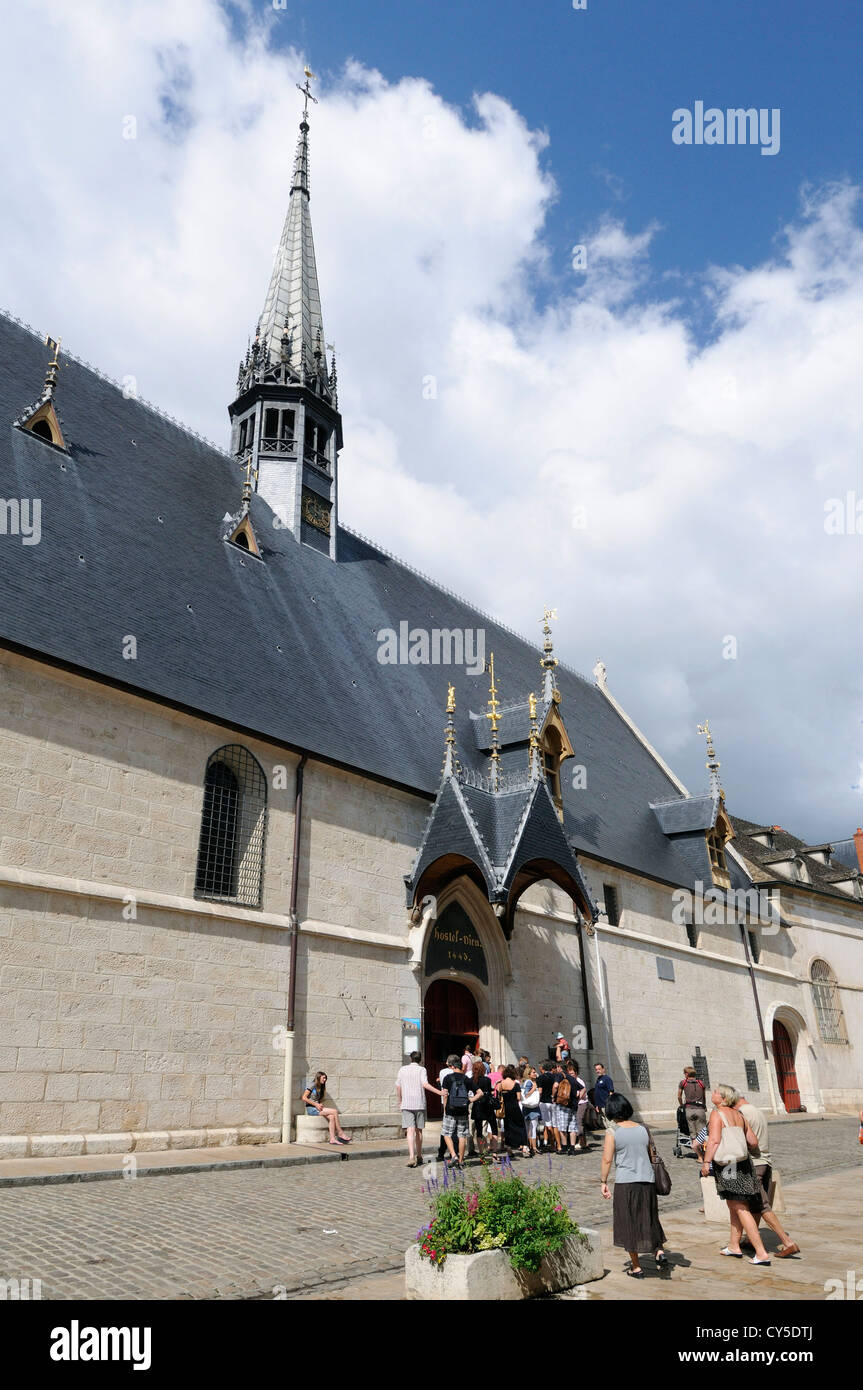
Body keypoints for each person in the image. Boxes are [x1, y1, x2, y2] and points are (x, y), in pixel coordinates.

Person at [700, 1084, 770, 1265]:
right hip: (744, 1162)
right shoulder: (739, 1114)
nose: (712, 1093)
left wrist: (706, 1162)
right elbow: (753, 1141)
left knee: (740, 1207)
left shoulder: (717, 1113)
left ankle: (761, 1252)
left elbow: (714, 1140)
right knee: (734, 1205)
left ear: (723, 1098)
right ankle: (734, 1245)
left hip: (729, 1163)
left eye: (716, 1092)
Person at [600, 1093, 668, 1278]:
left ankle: (636, 1267)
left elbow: (607, 1159)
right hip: (647, 1180)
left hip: (626, 1182)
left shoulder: (612, 1132)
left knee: (628, 1222)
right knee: (649, 1217)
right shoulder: (643, 1129)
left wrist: (603, 1181)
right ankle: (658, 1251)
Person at [735, 1093, 800, 1258]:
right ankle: (751, 1239)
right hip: (766, 1163)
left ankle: (787, 1242)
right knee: (756, 1205)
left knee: (762, 1205)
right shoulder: (757, 1110)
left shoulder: (742, 1113)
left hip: (754, 1164)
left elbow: (747, 1140)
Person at [395, 1051, 442, 1168]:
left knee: (410, 1130)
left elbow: (398, 1086)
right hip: (419, 1103)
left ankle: (411, 1156)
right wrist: (439, 1092)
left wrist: (400, 1101)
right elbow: (425, 1084)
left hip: (407, 1104)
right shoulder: (422, 1070)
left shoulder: (402, 1069)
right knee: (419, 1131)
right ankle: (419, 1155)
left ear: (411, 1059)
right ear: (420, 1060)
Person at [441, 1056, 478, 1169]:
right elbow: (480, 1092)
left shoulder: (447, 1078)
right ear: (461, 1067)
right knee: (462, 1135)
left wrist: (444, 1109)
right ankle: (461, 1161)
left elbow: (445, 1095)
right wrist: (470, 1100)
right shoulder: (466, 1079)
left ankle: (453, 1155)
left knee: (446, 1133)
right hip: (463, 1109)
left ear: (452, 1066)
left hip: (450, 1110)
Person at [301, 1071, 352, 1145]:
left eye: (326, 1078)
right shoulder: (312, 1085)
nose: (325, 1080)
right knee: (335, 1111)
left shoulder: (321, 1087)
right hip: (311, 1109)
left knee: (331, 1117)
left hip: (317, 1108)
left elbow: (319, 1099)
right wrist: (316, 1104)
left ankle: (332, 1139)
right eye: (324, 1078)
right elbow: (304, 1098)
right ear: (319, 1077)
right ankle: (340, 1132)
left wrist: (320, 1104)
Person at [470, 1058, 499, 1157]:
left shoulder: (471, 1080)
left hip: (477, 1105)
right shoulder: (487, 1080)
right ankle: (494, 1152)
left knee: (478, 1130)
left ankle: (481, 1153)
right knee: (494, 1128)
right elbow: (490, 1090)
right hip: (488, 1105)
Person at [498, 1064, 529, 1156]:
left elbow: (499, 1096)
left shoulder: (500, 1084)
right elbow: (518, 1097)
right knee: (521, 1126)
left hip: (505, 1109)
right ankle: (524, 1147)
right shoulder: (515, 1084)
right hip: (514, 1107)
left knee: (508, 1128)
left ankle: (509, 1149)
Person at [678, 1066, 707, 1142]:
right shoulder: (701, 1083)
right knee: (702, 1133)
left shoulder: (683, 1083)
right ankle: (703, 1150)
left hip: (689, 1109)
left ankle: (697, 1150)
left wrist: (681, 1105)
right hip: (700, 1109)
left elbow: (679, 1096)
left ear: (687, 1074)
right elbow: (704, 1097)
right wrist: (704, 1106)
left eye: (684, 1073)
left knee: (692, 1132)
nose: (684, 1074)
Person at [565, 1059, 589, 1151]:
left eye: (572, 1073)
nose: (571, 1075)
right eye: (569, 1073)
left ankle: (581, 1142)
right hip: (574, 1104)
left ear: (576, 1073)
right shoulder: (570, 1081)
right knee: (578, 1123)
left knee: (579, 1122)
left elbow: (581, 1093)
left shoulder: (579, 1081)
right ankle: (583, 1142)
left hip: (581, 1103)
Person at [520, 1064, 542, 1155]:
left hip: (528, 1107)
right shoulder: (529, 1083)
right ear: (528, 1074)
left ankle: (530, 1146)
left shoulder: (526, 1082)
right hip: (532, 1107)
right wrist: (534, 1088)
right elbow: (526, 1094)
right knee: (532, 1128)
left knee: (529, 1128)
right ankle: (533, 1147)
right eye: (533, 1072)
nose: (535, 1073)